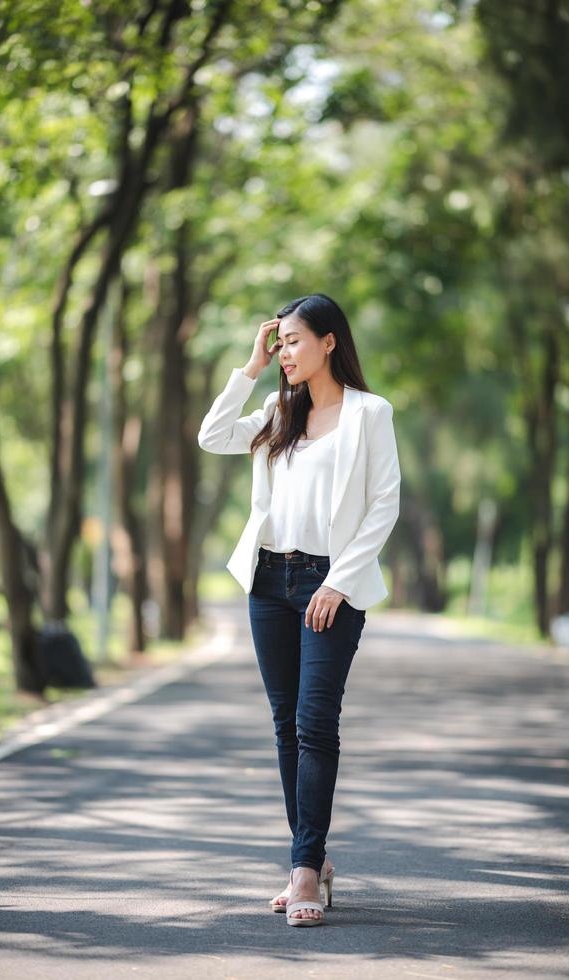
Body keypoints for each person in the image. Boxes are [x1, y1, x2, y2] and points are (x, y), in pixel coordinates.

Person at [197, 293, 401, 926]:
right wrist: (251, 367)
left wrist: (338, 582)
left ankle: (305, 870)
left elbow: (384, 503)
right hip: (269, 580)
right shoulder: (277, 409)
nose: (284, 351)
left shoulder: (370, 414)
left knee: (316, 722)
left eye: (292, 341)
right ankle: (310, 856)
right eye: (278, 341)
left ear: (329, 341)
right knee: (286, 723)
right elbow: (211, 437)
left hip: (327, 584)